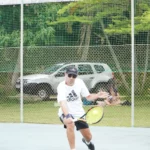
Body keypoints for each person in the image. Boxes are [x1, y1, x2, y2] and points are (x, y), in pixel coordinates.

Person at [57, 66, 108, 150]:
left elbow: (88, 97)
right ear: (65, 75)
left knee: (89, 137)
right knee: (70, 124)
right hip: (65, 112)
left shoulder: (79, 82)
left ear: (76, 76)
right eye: (69, 75)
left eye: (74, 76)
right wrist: (67, 115)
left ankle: (87, 141)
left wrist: (97, 95)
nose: (71, 78)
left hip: (79, 113)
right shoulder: (61, 86)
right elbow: (63, 103)